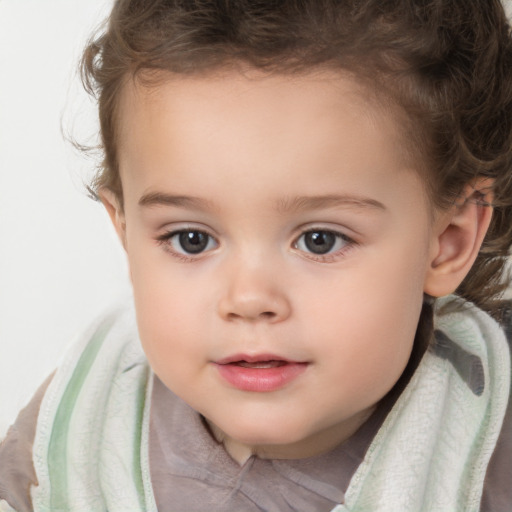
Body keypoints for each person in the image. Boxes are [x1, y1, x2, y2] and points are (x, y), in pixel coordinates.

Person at [1, 0, 511, 510]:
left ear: (448, 241)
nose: (249, 299)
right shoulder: (80, 424)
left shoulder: (487, 453)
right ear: (127, 234)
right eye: (191, 239)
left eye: (320, 240)